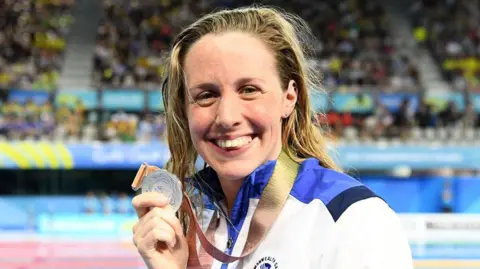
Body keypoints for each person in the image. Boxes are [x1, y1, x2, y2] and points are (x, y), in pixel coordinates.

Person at [131, 6, 413, 269]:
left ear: (289, 97)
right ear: (184, 110)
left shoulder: (353, 220)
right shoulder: (191, 229)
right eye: (206, 95)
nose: (227, 117)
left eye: (249, 89)